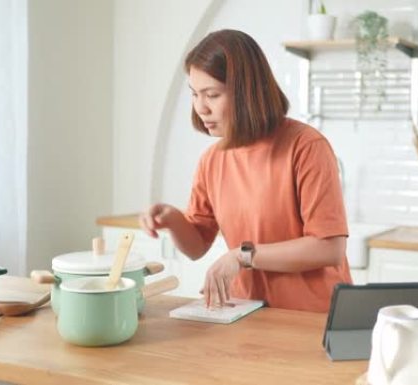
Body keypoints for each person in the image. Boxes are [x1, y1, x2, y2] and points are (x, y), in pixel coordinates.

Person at [140, 29, 351, 313]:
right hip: (248, 312)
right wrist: (173, 219)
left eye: (212, 95)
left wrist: (243, 256)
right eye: (194, 94)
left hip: (312, 318)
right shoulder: (212, 160)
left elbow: (329, 248)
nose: (201, 108)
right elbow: (196, 246)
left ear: (246, 92)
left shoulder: (306, 146)